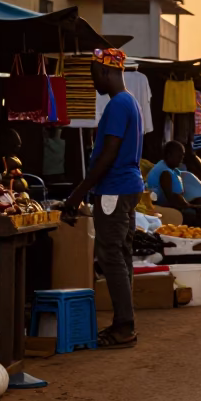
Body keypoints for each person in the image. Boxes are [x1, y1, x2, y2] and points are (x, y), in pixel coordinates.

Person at [63, 48, 143, 349]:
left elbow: (107, 155)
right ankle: (126, 322)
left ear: (108, 72)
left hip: (114, 190)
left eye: (94, 74)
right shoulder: (129, 102)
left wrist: (76, 196)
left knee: (112, 257)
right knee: (121, 256)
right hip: (127, 187)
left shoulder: (117, 106)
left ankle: (124, 326)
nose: (92, 79)